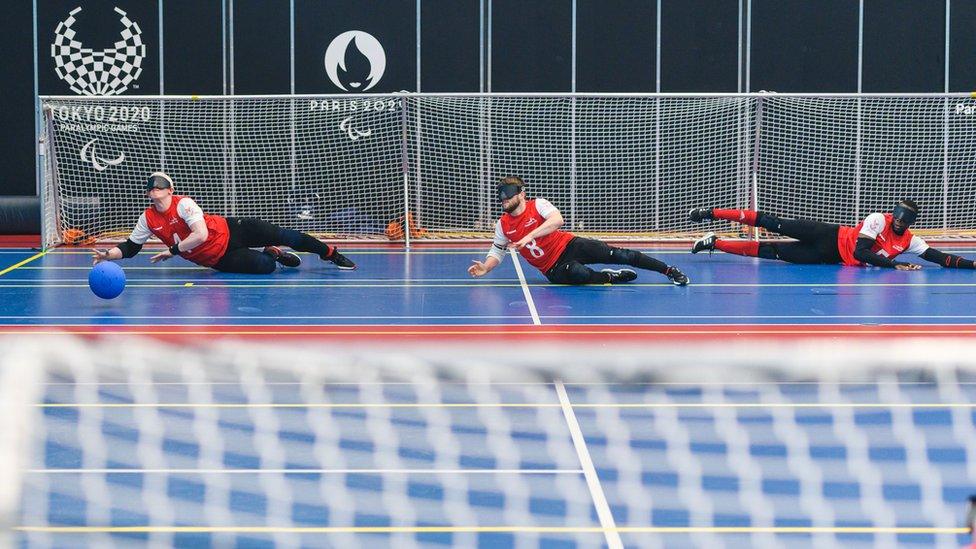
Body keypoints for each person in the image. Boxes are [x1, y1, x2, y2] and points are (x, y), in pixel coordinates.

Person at [91, 172, 356, 273]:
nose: (153, 189)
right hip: (215, 259)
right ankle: (271, 254)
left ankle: (331, 254)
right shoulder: (147, 218)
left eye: (158, 185)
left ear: (170, 190)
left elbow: (200, 235)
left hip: (231, 230)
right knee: (265, 268)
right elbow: (130, 247)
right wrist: (108, 255)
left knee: (284, 234)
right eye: (150, 187)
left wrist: (172, 251)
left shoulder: (184, 203)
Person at [467, 176, 689, 285]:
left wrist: (530, 235)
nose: (503, 199)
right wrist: (486, 267)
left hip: (570, 245)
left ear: (521, 193)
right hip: (553, 268)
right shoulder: (502, 224)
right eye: (501, 195)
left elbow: (557, 220)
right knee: (578, 274)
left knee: (620, 254)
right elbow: (497, 251)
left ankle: (668, 271)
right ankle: (610, 277)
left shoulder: (539, 205)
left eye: (508, 194)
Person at [687, 200, 976, 270]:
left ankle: (716, 242)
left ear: (910, 223)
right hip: (829, 235)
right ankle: (711, 213)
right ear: (893, 215)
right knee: (774, 222)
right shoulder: (878, 220)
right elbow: (862, 252)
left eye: (904, 222)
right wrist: (895, 264)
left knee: (770, 251)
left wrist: (970, 265)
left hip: (827, 257)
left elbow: (940, 258)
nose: (898, 225)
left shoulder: (909, 240)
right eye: (897, 219)